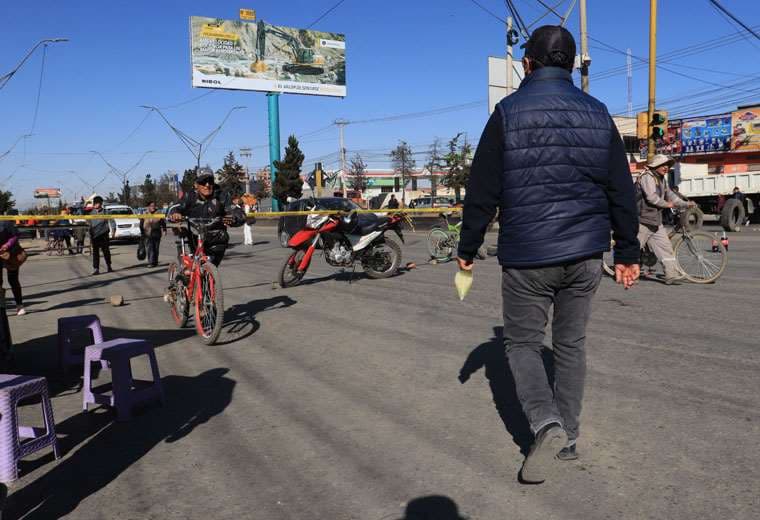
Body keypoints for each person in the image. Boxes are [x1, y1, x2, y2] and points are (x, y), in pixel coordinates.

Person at [456, 25, 640, 484]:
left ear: (528, 64)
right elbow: (620, 188)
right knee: (571, 345)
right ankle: (570, 437)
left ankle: (546, 423)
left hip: (528, 256)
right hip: (584, 254)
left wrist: (468, 246)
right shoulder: (598, 114)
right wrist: (629, 251)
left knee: (520, 344)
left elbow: (483, 189)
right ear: (571, 65)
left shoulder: (507, 112)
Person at [637, 154, 695, 284]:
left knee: (666, 248)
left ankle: (671, 275)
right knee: (634, 247)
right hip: (642, 220)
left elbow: (671, 196)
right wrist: (666, 204)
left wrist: (686, 203)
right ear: (656, 166)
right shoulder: (648, 177)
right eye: (663, 165)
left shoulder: (662, 180)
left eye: (667, 165)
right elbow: (651, 197)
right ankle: (628, 272)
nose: (666, 168)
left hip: (655, 221)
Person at [168, 173, 244, 266]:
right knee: (187, 264)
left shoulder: (221, 196)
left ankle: (209, 274)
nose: (207, 185)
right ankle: (183, 270)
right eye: (203, 182)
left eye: (210, 181)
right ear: (196, 185)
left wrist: (235, 218)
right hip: (194, 236)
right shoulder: (190, 196)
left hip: (216, 238)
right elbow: (173, 208)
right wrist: (175, 214)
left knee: (210, 270)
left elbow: (237, 212)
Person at [0, 221, 25, 316]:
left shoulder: (5, 222)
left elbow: (16, 235)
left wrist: (7, 245)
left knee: (13, 280)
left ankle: (19, 305)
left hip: (11, 254)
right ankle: (1, 307)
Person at [88, 196, 115, 275]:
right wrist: (90, 234)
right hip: (95, 235)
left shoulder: (106, 212)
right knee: (95, 253)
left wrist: (113, 231)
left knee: (106, 251)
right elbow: (89, 224)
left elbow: (112, 221)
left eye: (98, 203)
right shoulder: (91, 213)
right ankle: (96, 269)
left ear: (101, 203)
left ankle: (109, 266)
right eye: (95, 203)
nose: (96, 205)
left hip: (104, 234)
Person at [139, 201, 166, 267]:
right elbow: (141, 223)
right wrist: (142, 232)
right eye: (151, 206)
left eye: (154, 205)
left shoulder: (158, 213)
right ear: (148, 207)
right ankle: (150, 262)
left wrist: (164, 229)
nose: (153, 207)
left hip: (157, 232)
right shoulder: (145, 213)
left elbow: (163, 222)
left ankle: (155, 262)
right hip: (148, 233)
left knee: (156, 248)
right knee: (150, 248)